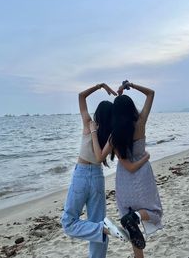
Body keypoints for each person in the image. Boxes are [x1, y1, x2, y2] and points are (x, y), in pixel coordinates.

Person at [90, 81, 163, 258]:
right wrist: (129, 85)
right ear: (131, 109)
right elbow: (151, 93)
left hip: (124, 183)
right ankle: (136, 217)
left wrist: (93, 132)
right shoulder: (140, 124)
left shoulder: (115, 136)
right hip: (143, 176)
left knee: (131, 226)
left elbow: (100, 158)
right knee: (153, 212)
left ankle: (134, 223)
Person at [61, 83, 129, 258]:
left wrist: (100, 86)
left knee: (69, 223)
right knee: (98, 222)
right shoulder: (111, 134)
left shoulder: (89, 124)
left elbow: (81, 97)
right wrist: (118, 95)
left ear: (98, 114)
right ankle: (103, 229)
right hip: (98, 177)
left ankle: (102, 228)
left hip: (82, 175)